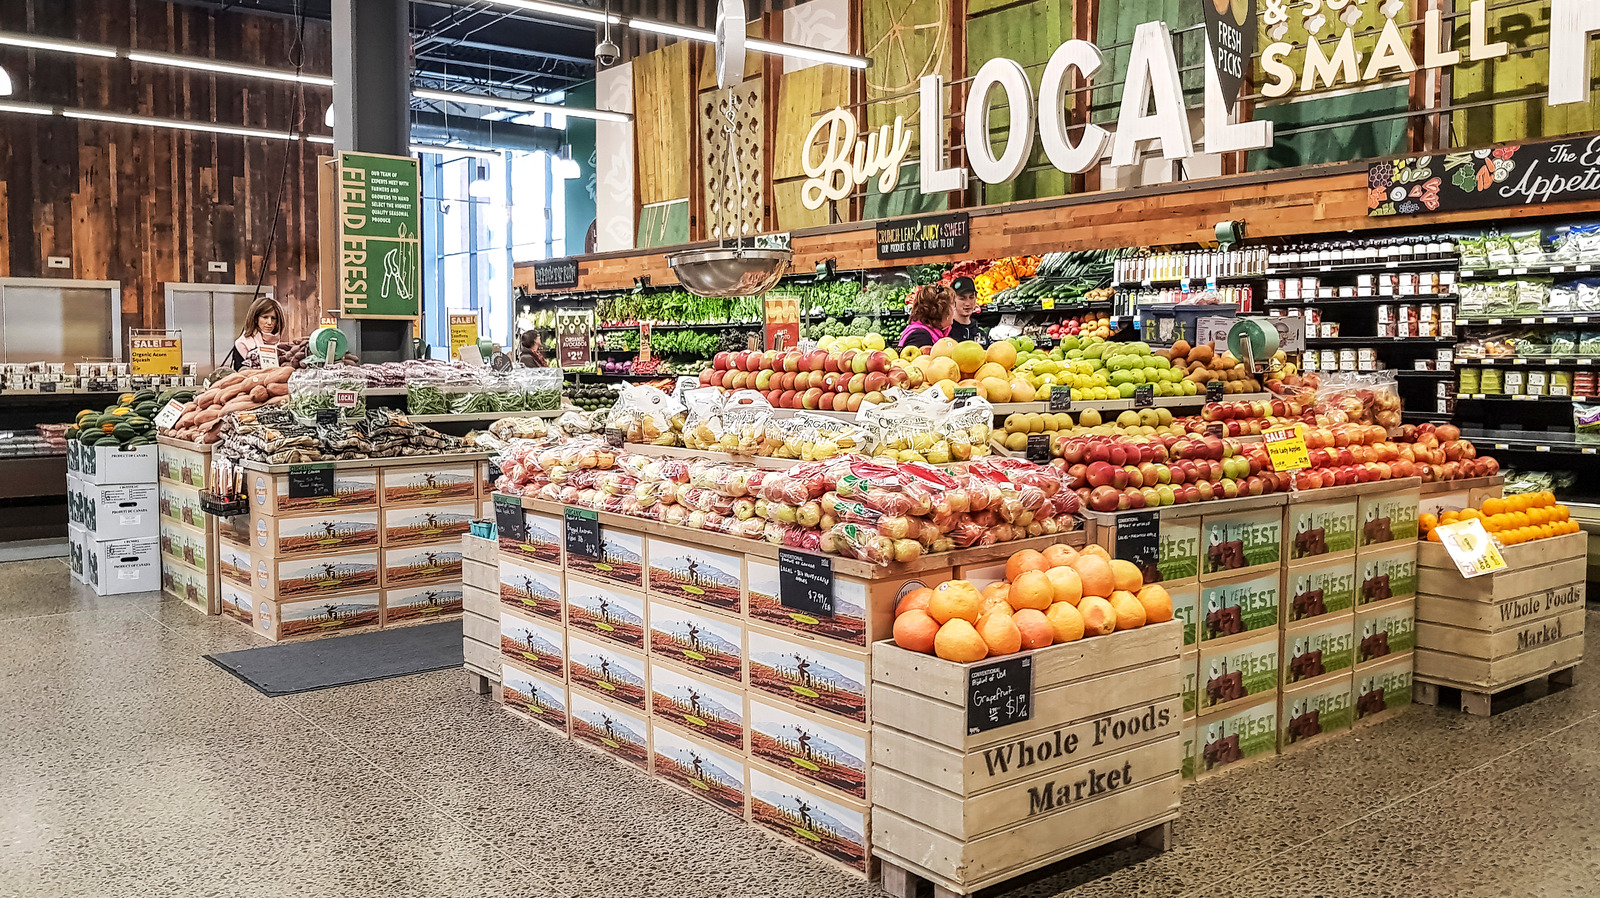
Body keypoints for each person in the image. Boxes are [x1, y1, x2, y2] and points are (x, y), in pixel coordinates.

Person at [224, 296, 282, 368]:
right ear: (255, 318)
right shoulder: (242, 344)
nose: (269, 322)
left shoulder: (282, 346)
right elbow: (240, 374)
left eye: (273, 318)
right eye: (265, 317)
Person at [899, 285, 953, 350]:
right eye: (953, 305)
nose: (955, 309)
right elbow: (921, 359)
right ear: (940, 311)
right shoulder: (919, 337)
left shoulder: (940, 331)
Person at [947, 276, 988, 346]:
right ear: (952, 300)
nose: (968, 303)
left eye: (971, 297)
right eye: (962, 298)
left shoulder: (980, 334)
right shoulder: (947, 333)